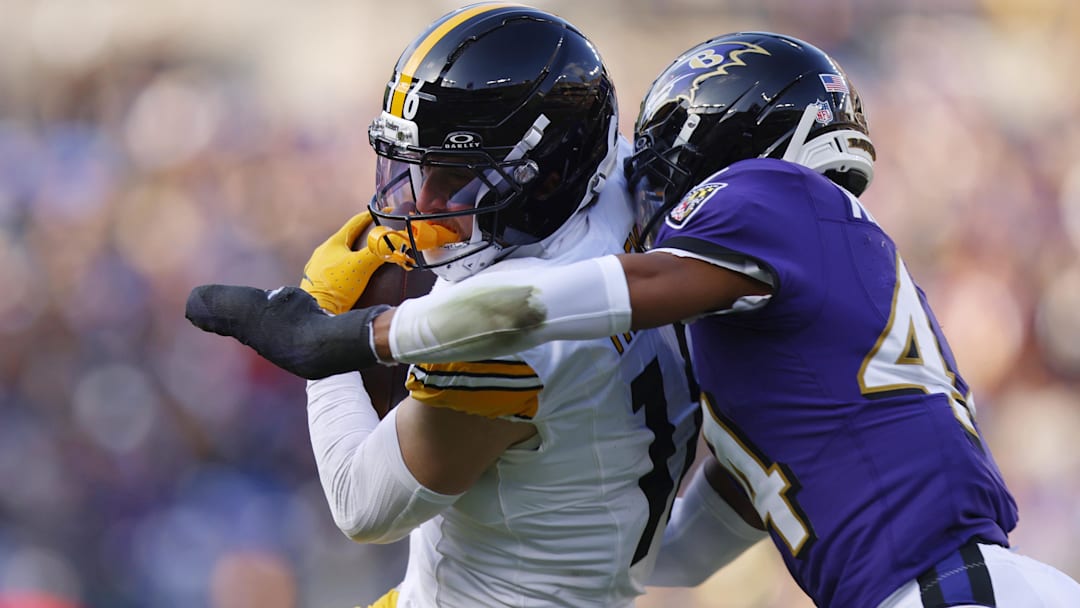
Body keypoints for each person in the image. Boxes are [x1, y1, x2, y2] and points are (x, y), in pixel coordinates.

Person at [187, 31, 1080, 607]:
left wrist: (351, 332)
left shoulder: (770, 198)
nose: (653, 175)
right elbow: (672, 558)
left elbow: (549, 304)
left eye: (672, 153)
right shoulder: (760, 354)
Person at [196, 4, 703, 608]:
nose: (419, 204)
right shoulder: (628, 184)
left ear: (546, 180)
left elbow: (362, 506)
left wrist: (322, 326)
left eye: (453, 176)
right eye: (413, 168)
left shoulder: (508, 336)